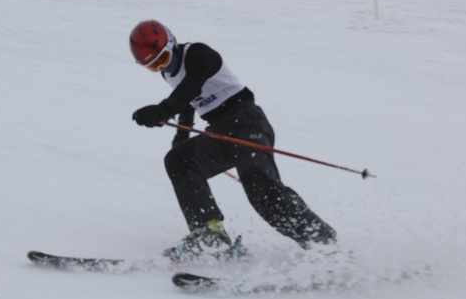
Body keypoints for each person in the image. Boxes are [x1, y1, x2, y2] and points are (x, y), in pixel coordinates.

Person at [129, 20, 336, 260]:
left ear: (172, 44)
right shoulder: (168, 73)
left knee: (260, 188)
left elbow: (191, 87)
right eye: (153, 67)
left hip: (248, 124)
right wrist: (181, 135)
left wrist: (163, 110)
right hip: (219, 132)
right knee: (179, 160)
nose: (161, 67)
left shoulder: (199, 54)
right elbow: (187, 101)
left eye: (162, 59)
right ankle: (210, 233)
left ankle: (322, 242)